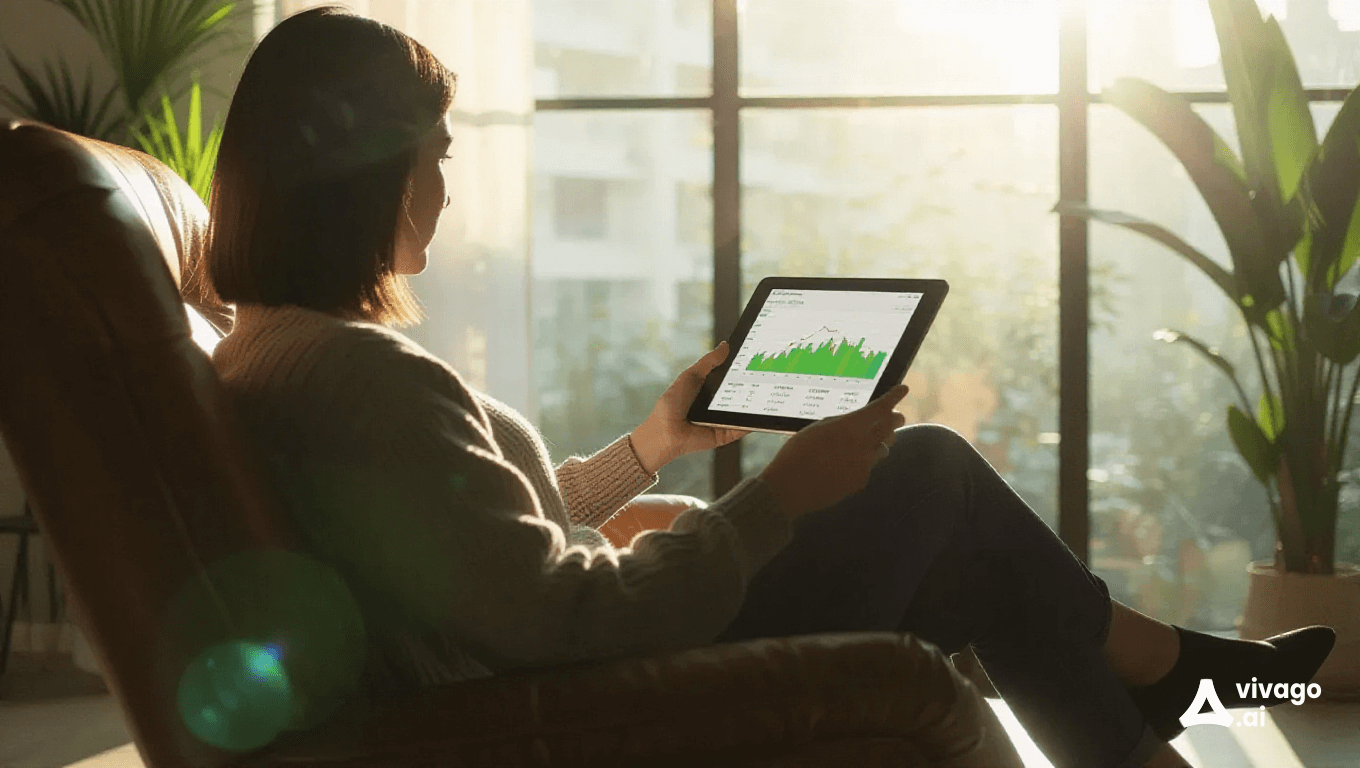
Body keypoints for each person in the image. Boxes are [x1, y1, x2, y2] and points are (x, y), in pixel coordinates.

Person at [204, 7, 1336, 768]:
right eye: (436, 155)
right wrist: (781, 494)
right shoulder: (364, 379)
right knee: (929, 468)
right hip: (603, 696)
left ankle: (1156, 684)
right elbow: (565, 616)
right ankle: (1167, 670)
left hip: (571, 668)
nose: (446, 185)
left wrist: (646, 449)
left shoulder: (280, 350)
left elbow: (470, 546)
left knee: (977, 568)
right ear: (363, 175)